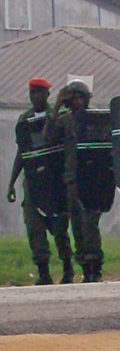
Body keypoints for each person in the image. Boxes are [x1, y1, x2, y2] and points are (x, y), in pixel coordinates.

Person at [8, 78, 74, 284]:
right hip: (33, 181)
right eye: (32, 93)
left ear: (47, 95)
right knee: (34, 227)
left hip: (55, 180)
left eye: (39, 93)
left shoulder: (58, 116)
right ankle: (43, 272)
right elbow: (23, 152)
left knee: (59, 227)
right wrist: (12, 183)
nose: (35, 97)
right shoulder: (24, 120)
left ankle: (67, 268)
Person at [44, 80, 105, 283]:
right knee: (77, 225)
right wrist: (57, 107)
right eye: (73, 98)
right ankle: (85, 266)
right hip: (72, 179)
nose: (77, 102)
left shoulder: (94, 119)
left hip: (93, 178)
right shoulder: (64, 120)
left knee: (90, 224)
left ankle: (95, 265)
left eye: (80, 97)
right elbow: (48, 137)